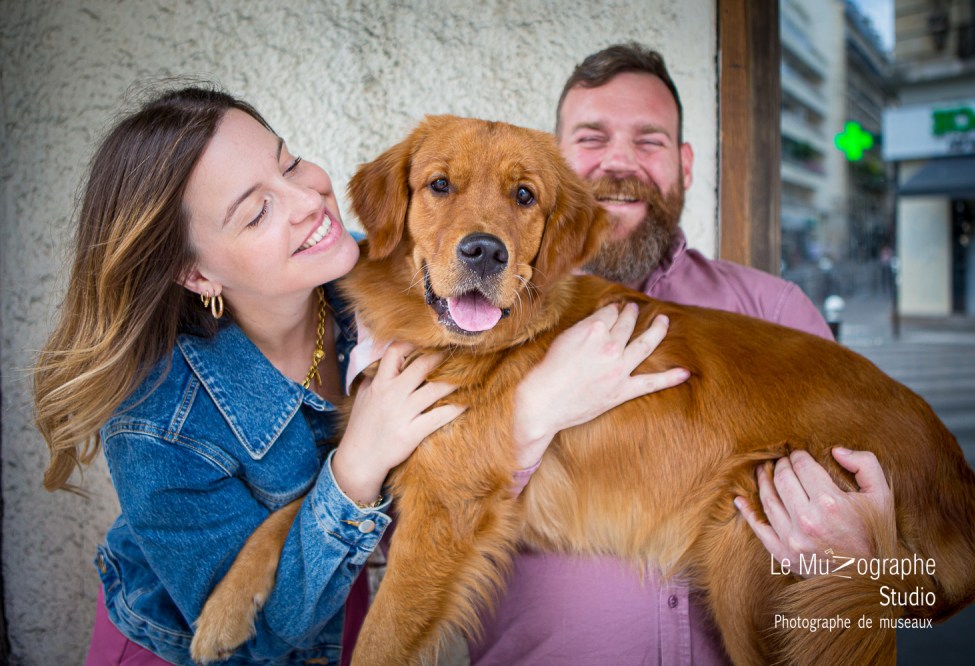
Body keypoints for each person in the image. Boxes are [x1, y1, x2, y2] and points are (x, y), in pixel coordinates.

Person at [32, 87, 685, 665]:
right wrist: (358, 465)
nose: (306, 202)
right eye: (256, 212)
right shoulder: (155, 426)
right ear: (197, 273)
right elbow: (256, 644)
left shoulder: (371, 286)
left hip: (340, 637)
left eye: (289, 163)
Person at [468, 43, 896, 665]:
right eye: (592, 139)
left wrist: (866, 566)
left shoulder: (775, 313)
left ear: (685, 165)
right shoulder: (479, 316)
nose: (620, 162)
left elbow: (906, 594)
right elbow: (411, 532)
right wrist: (530, 417)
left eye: (650, 141)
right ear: (551, 163)